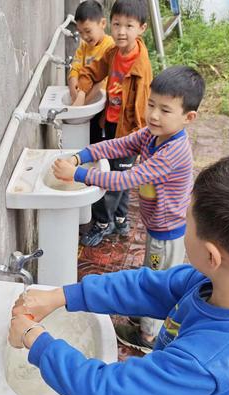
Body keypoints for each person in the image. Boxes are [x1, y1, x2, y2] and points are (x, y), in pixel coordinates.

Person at [8, 147, 229, 395]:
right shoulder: (222, 285)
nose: (182, 223)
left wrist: (33, 339)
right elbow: (149, 287)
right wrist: (63, 295)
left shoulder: (206, 362)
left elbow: (105, 390)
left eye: (186, 222)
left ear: (211, 255)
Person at [54, 65, 205, 352]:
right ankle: (144, 314)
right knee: (151, 274)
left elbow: (127, 178)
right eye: (151, 105)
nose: (154, 115)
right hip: (157, 227)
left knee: (158, 282)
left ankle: (148, 337)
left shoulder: (174, 151)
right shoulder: (152, 134)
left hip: (167, 233)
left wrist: (79, 174)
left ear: (189, 117)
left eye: (165, 109)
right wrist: (81, 155)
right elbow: (119, 145)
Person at [74, 0, 152, 247]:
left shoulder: (141, 68)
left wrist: (140, 142)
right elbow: (92, 71)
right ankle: (120, 218)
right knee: (120, 174)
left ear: (142, 28)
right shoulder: (113, 53)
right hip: (110, 124)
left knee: (110, 178)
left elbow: (143, 110)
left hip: (129, 133)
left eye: (128, 26)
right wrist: (80, 90)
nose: (120, 31)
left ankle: (102, 224)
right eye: (117, 24)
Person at [67, 0, 115, 110]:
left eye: (88, 31)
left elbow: (101, 80)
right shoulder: (83, 47)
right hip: (83, 97)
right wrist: (74, 94)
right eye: (80, 32)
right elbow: (74, 70)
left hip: (102, 103)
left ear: (103, 23)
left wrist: (83, 103)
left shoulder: (110, 47)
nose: (84, 36)